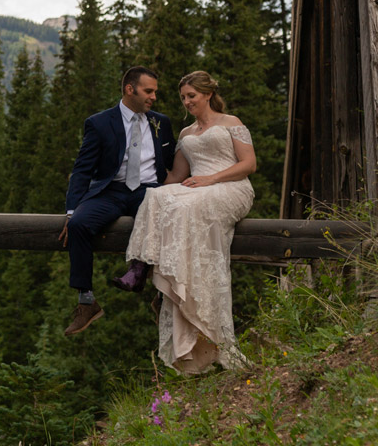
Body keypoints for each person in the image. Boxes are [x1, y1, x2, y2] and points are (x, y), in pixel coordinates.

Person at [119, 70, 256, 373]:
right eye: (183, 97)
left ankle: (193, 301)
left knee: (185, 208)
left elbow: (249, 165)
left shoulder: (231, 123)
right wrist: (137, 175)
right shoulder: (185, 134)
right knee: (156, 197)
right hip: (197, 189)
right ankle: (142, 267)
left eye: (191, 96)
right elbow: (175, 178)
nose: (187, 102)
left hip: (231, 186)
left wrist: (212, 178)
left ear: (207, 94)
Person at [59, 66, 178, 336]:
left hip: (149, 191)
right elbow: (82, 170)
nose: (154, 97)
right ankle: (86, 302)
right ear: (129, 89)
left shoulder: (162, 122)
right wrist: (70, 211)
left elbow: (172, 164)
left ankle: (163, 299)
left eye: (155, 92)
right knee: (78, 224)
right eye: (149, 91)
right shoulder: (99, 123)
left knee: (167, 224)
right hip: (110, 191)